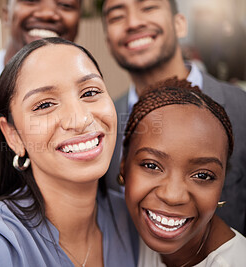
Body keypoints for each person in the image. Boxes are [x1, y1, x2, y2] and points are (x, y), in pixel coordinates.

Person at [0, 38, 138, 267]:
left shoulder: (136, 217)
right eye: (44, 105)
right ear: (13, 136)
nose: (80, 120)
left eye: (90, 92)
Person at [102, 0, 246, 235]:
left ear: (180, 24)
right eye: (117, 17)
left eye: (148, 8)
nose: (133, 22)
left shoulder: (242, 108)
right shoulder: (104, 123)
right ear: (109, 42)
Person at [120, 78, 246, 267]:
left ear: (222, 182)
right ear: (123, 166)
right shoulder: (113, 224)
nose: (173, 196)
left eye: (202, 175)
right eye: (152, 166)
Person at [0, 0, 81, 77]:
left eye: (65, 4)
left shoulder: (91, 87)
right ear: (6, 14)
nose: (47, 13)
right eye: (31, 0)